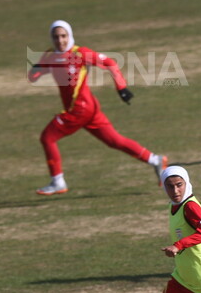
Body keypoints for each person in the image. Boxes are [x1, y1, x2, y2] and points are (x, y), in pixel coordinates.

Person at [27, 20, 167, 196]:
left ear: (70, 36)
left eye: (64, 36)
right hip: (88, 108)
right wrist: (36, 69)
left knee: (47, 138)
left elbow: (110, 63)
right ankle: (156, 160)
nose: (60, 40)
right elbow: (34, 77)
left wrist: (121, 88)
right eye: (56, 37)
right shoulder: (50, 56)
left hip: (80, 109)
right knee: (114, 141)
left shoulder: (80, 53)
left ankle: (58, 181)